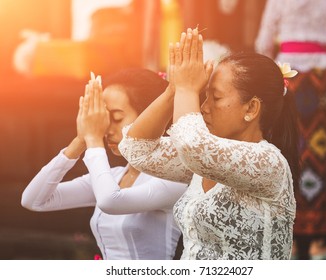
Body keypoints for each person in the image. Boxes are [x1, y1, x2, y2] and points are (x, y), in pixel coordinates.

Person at [118, 28, 299, 259]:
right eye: (203, 96)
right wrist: (174, 89)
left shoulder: (269, 162)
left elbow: (193, 148)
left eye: (216, 97)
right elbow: (136, 149)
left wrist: (187, 88)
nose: (203, 107)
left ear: (251, 108)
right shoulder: (205, 155)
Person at [21, 68, 187, 260]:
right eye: (104, 119)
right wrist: (80, 140)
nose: (106, 129)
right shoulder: (112, 177)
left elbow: (110, 201)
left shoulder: (173, 179)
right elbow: (33, 200)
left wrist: (93, 139)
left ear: (152, 117)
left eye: (116, 118)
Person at [255, 0, 326, 259]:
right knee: (321, 153)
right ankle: (319, 242)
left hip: (289, 74)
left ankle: (288, 241)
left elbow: (263, 43)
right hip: (323, 77)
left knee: (286, 146)